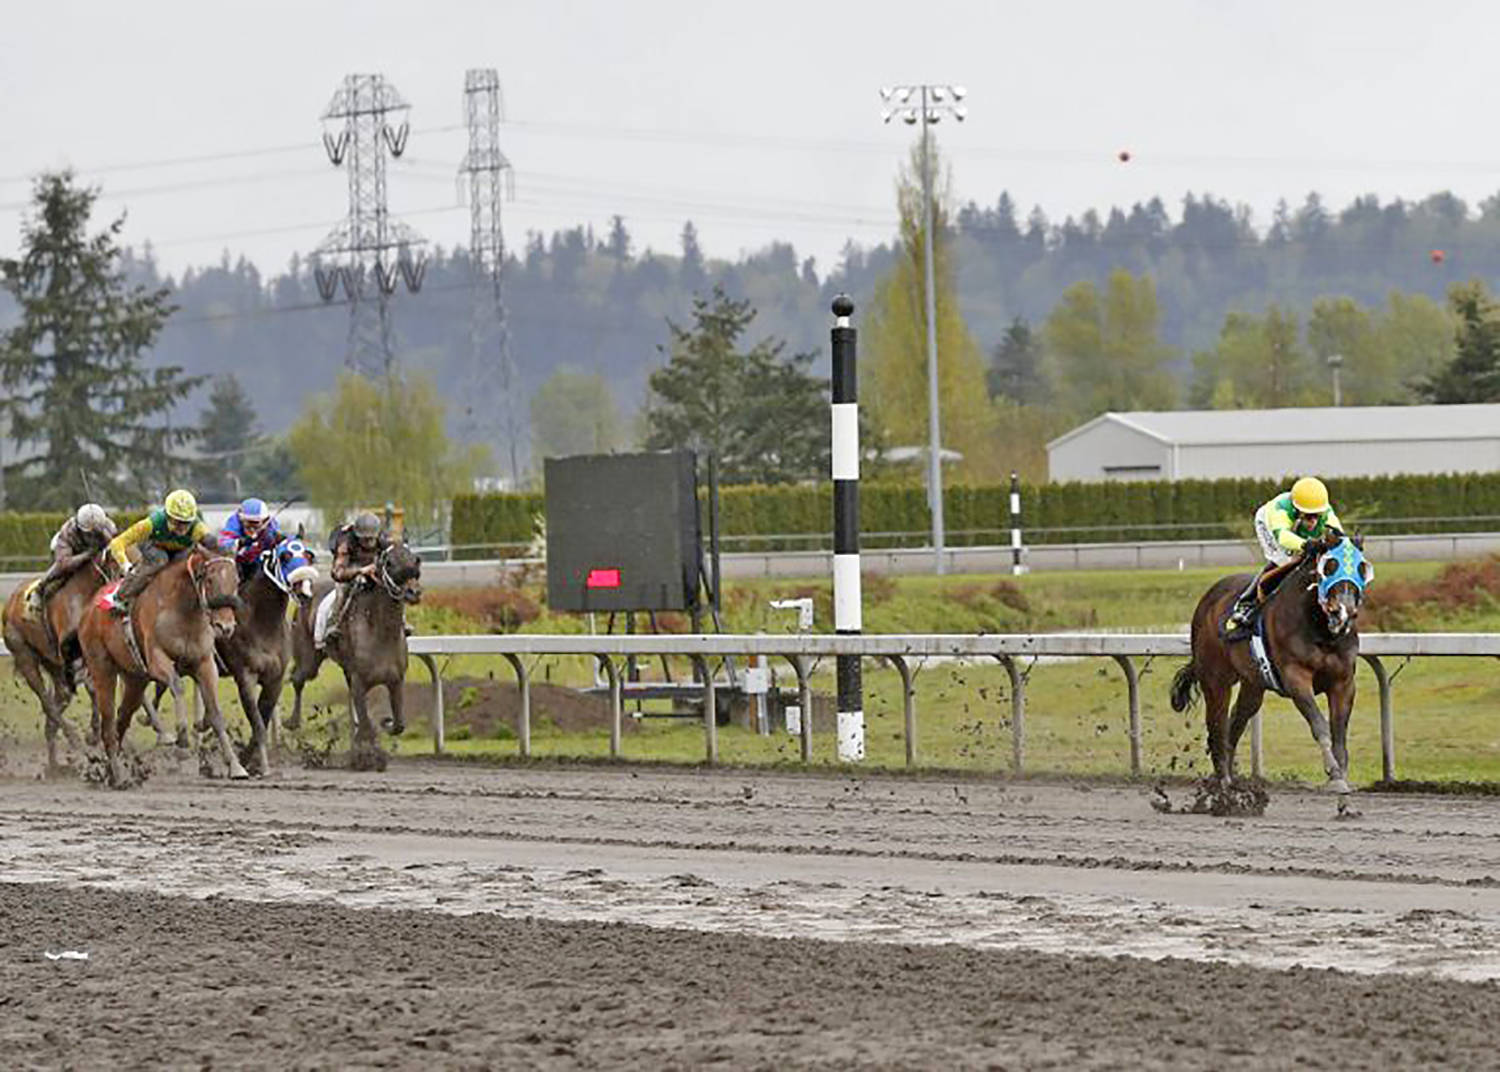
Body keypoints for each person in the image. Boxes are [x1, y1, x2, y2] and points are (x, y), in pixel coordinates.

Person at [1223, 476, 1345, 638]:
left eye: (1317, 515)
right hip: (1268, 526)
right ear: (1297, 509)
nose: (1314, 521)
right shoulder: (1280, 510)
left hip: (1294, 528)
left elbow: (1339, 533)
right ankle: (1246, 603)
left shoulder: (1324, 509)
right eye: (1308, 516)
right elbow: (1284, 538)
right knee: (1284, 560)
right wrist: (1305, 544)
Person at [107, 489, 220, 612]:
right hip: (153, 547)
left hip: (180, 550)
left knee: (190, 561)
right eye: (177, 522)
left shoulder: (199, 529)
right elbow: (117, 543)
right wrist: (124, 564)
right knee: (160, 560)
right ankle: (121, 596)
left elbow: (215, 550)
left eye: (186, 523)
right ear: (167, 516)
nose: (182, 528)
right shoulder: (151, 524)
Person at [26, 503, 118, 617]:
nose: (93, 536)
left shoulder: (108, 526)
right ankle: (40, 589)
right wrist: (87, 555)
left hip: (91, 549)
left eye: (95, 532)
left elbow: (116, 543)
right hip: (69, 551)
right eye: (89, 533)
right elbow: (65, 563)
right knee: (61, 571)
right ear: (81, 529)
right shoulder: (68, 532)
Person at [322, 511, 394, 646]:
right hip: (350, 573)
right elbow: (337, 572)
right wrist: (360, 571)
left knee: (393, 587)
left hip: (375, 571)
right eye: (364, 539)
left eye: (371, 539)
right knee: (341, 590)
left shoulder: (383, 541)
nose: (369, 543)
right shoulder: (346, 542)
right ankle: (333, 624)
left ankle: (401, 621)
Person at [218, 497, 283, 580]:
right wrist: (241, 542)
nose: (251, 528)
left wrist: (270, 539)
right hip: (239, 564)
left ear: (264, 520)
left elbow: (281, 541)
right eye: (248, 523)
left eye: (255, 523)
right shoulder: (233, 522)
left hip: (261, 563)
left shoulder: (271, 524)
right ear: (241, 519)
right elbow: (223, 544)